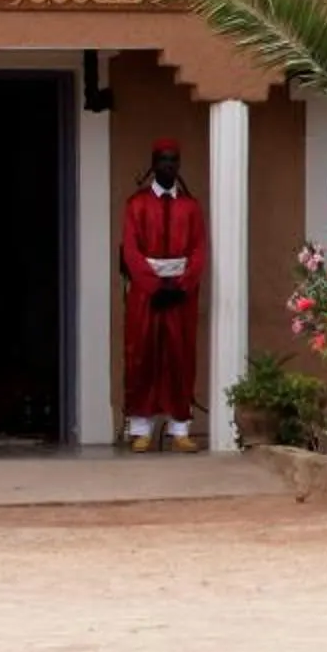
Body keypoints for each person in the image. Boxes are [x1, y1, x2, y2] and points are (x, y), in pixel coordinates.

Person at [121, 137, 209, 452]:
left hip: (180, 297)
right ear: (154, 163)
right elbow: (131, 251)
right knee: (142, 354)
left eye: (173, 160)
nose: (168, 166)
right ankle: (141, 429)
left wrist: (181, 286)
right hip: (147, 295)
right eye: (163, 160)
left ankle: (180, 429)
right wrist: (154, 285)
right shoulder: (136, 204)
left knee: (179, 356)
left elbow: (199, 250)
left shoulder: (191, 207)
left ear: (178, 165)